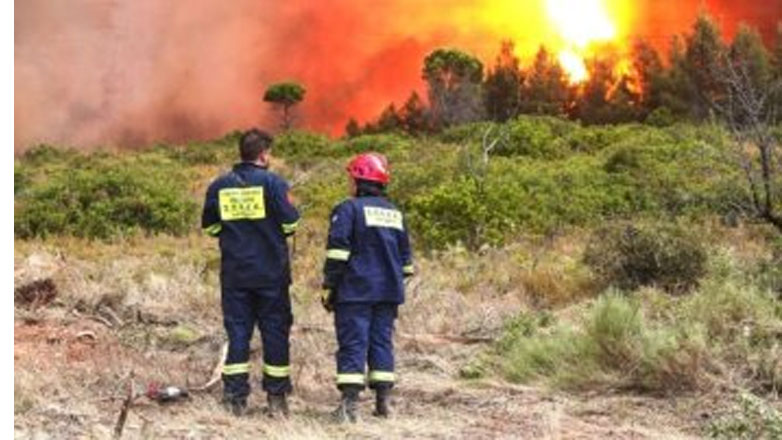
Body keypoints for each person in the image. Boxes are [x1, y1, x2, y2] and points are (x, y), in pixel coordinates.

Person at [201, 128, 300, 416]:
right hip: (271, 275)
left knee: (238, 333)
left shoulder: (219, 186)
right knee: (275, 333)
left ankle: (234, 398)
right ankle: (277, 399)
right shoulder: (273, 183)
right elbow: (291, 224)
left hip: (235, 276)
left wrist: (235, 233)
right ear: (263, 154)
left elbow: (210, 227)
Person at [321, 152, 414, 423]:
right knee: (381, 343)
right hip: (388, 292)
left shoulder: (348, 209)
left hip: (356, 291)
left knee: (353, 344)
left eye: (351, 177)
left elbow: (338, 253)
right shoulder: (395, 213)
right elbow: (406, 264)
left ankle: (349, 408)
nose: (349, 182)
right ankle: (383, 403)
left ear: (359, 179)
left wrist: (330, 286)